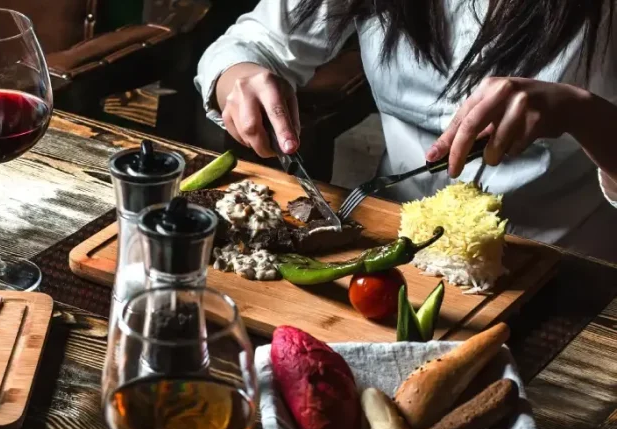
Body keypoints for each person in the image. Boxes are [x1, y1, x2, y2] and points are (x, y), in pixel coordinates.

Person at [194, 0, 617, 260]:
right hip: (393, 242)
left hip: (563, 264)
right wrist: (239, 76)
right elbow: (258, 41)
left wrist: (582, 113)